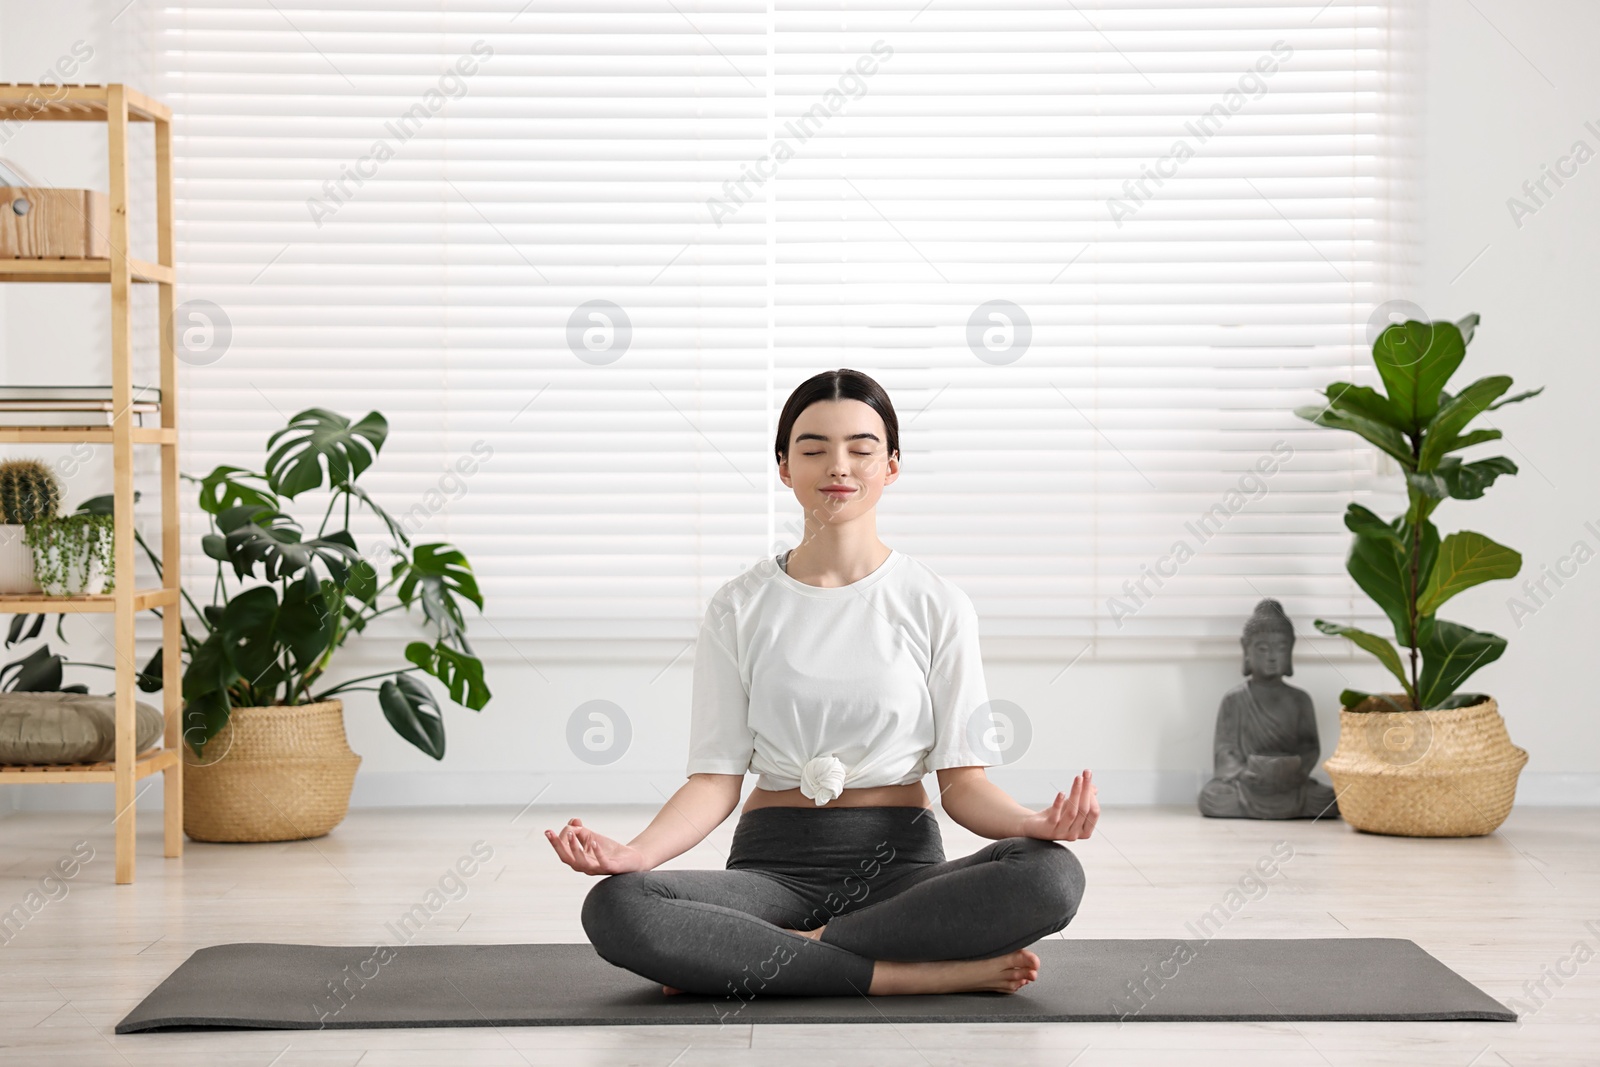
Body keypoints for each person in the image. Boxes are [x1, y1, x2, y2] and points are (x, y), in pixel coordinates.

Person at [546, 368, 1098, 1001]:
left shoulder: (937, 603)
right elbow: (716, 779)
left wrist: (1035, 822)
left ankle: (777, 955)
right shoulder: (739, 605)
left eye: (861, 449)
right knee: (618, 905)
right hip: (771, 873)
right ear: (784, 467)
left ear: (891, 466)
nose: (839, 465)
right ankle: (900, 974)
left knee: (1050, 876)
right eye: (813, 449)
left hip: (904, 873)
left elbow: (964, 786)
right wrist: (636, 854)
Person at [1197, 598, 1339, 820]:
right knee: (1212, 797)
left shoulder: (1300, 700)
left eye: (1280, 648)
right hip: (1247, 785)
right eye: (1263, 649)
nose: (1272, 656)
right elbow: (1224, 751)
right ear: (1247, 650)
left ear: (1290, 650)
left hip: (1291, 785)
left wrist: (1297, 772)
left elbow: (1310, 747)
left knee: (1327, 799)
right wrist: (1244, 773)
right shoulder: (1234, 700)